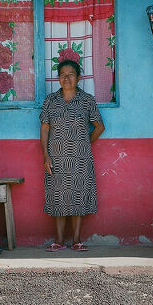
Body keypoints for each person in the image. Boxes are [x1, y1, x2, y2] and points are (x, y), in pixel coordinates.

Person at [40, 58, 105, 252]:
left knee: (78, 196)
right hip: (56, 158)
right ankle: (59, 241)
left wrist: (85, 143)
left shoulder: (87, 100)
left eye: (71, 75)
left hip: (80, 159)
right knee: (58, 196)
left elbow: (99, 126)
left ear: (78, 78)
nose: (66, 78)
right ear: (58, 78)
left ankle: (77, 240)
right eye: (62, 75)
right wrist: (46, 156)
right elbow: (44, 128)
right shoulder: (51, 100)